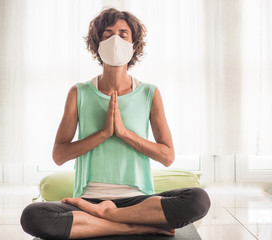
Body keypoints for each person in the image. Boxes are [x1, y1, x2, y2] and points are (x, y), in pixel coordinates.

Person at [21, 8, 210, 239]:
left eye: (123, 34)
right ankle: (129, 225)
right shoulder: (78, 92)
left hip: (139, 200)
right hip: (88, 200)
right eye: (107, 34)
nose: (115, 40)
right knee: (33, 215)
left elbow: (167, 156)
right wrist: (102, 134)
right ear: (97, 43)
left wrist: (123, 133)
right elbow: (59, 155)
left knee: (198, 199)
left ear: (134, 44)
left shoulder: (149, 92)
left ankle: (107, 217)